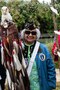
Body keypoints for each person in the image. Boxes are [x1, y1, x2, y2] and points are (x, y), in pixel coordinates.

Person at [20, 22, 56, 90]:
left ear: (37, 35)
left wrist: (51, 85)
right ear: (23, 34)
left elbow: (50, 67)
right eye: (27, 32)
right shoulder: (18, 48)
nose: (30, 35)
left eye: (33, 33)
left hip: (41, 87)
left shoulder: (43, 48)